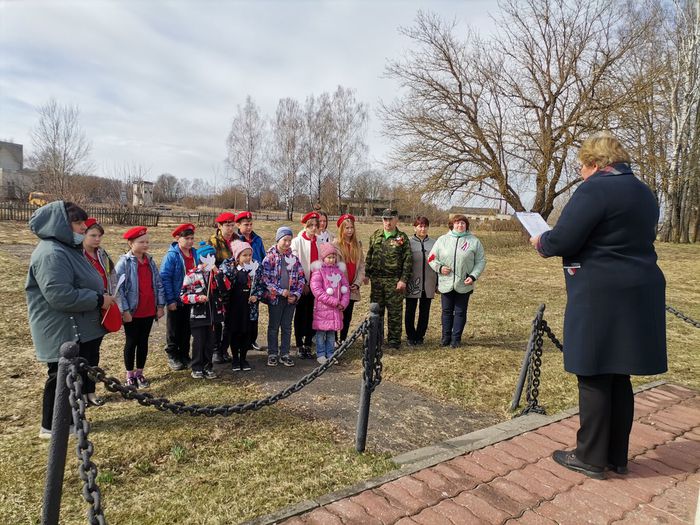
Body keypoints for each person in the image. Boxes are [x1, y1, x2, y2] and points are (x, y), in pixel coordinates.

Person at [530, 132, 667, 479]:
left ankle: (590, 456)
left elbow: (565, 237)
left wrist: (541, 240)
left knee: (592, 371)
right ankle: (616, 456)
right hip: (640, 287)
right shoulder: (644, 191)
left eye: (581, 165)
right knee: (618, 372)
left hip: (600, 290)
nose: (580, 173)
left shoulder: (595, 188)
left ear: (595, 162)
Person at [27, 201, 114, 438]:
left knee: (71, 377)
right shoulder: (51, 253)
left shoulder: (66, 249)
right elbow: (60, 295)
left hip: (76, 328)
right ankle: (52, 426)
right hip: (61, 330)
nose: (82, 227)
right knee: (59, 378)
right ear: (61, 225)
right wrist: (98, 299)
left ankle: (69, 420)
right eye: (77, 223)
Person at [115, 226, 166, 388]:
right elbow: (118, 288)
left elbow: (158, 284)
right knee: (131, 342)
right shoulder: (124, 262)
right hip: (132, 311)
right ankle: (129, 374)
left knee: (143, 342)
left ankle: (140, 372)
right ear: (131, 243)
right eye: (141, 242)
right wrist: (124, 310)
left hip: (148, 310)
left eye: (147, 242)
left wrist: (160, 305)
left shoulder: (150, 261)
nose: (145, 245)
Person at [428, 214, 486, 348]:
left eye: (463, 223)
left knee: (460, 312)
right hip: (446, 283)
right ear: (452, 225)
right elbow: (431, 258)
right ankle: (445, 337)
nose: (460, 225)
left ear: (466, 226)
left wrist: (473, 276)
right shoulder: (442, 240)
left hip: (464, 283)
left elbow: (481, 261)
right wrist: (440, 268)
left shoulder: (474, 241)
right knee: (446, 311)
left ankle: (456, 338)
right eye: (457, 223)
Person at [81, 217, 119, 406]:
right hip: (86, 307)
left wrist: (111, 295)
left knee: (94, 353)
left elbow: (112, 275)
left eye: (99, 236)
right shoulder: (78, 255)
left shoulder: (102, 254)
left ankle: (91, 391)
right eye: (93, 235)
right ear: (83, 235)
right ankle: (80, 392)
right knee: (82, 354)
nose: (97, 239)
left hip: (103, 306)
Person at [180, 242, 229, 380]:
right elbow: (183, 296)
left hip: (214, 315)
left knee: (211, 342)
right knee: (199, 342)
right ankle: (197, 367)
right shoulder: (192, 275)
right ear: (201, 259)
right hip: (198, 315)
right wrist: (196, 298)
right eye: (208, 257)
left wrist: (217, 273)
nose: (210, 260)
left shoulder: (217, 273)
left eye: (213, 257)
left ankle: (208, 366)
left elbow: (226, 288)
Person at [365, 209, 412, 349]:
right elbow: (369, 256)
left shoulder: (401, 238)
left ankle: (393, 341)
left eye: (391, 219)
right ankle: (376, 339)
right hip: (377, 281)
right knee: (376, 312)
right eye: (385, 219)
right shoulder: (376, 236)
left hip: (394, 281)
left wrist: (403, 280)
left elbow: (408, 261)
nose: (388, 222)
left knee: (395, 313)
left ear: (396, 219)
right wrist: (367, 274)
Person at [262, 227, 305, 367]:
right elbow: (266, 280)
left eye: (289, 240)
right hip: (276, 298)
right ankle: (273, 353)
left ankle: (285, 353)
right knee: (274, 326)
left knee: (287, 326)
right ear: (278, 239)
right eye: (284, 240)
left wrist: (296, 294)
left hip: (291, 299)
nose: (287, 243)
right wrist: (280, 291)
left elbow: (301, 278)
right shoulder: (270, 258)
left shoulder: (294, 259)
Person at [219, 240, 265, 372]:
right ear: (237, 256)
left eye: (250, 255)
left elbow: (261, 286)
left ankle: (243, 358)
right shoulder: (231, 269)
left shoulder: (256, 269)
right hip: (234, 308)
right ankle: (235, 358)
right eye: (244, 255)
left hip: (249, 307)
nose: (248, 258)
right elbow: (225, 285)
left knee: (246, 333)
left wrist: (256, 296)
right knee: (235, 333)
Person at [160, 223, 197, 371]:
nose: (190, 241)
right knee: (174, 328)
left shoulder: (194, 254)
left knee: (187, 328)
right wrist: (170, 300)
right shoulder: (172, 256)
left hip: (191, 298)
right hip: (176, 298)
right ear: (177, 238)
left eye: (192, 238)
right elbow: (165, 277)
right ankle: (173, 354)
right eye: (186, 238)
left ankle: (184, 354)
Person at [309, 243, 350, 364]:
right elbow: (317, 290)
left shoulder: (339, 272)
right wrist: (334, 302)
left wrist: (343, 303)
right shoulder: (319, 272)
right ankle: (321, 353)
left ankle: (330, 353)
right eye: (329, 257)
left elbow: (345, 288)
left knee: (332, 334)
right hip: (323, 309)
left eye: (333, 257)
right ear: (323, 258)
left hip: (336, 310)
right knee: (321, 333)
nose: (332, 259)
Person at [332, 213, 367, 344]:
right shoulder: (335, 244)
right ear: (341, 229)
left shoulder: (357, 245)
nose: (349, 230)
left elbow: (361, 266)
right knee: (337, 313)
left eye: (351, 227)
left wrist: (357, 283)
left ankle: (343, 338)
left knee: (348, 315)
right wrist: (341, 284)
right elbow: (333, 266)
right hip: (339, 286)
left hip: (352, 286)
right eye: (346, 228)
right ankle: (334, 338)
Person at [235, 210, 266, 352]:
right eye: (246, 224)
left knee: (254, 312)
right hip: (241, 280)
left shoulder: (257, 239)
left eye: (251, 224)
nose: (249, 227)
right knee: (241, 314)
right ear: (239, 225)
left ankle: (252, 340)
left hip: (255, 278)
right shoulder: (235, 240)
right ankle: (239, 342)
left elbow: (262, 256)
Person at [209, 211, 237, 364]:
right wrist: (219, 274)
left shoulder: (237, 239)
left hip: (235, 285)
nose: (230, 228)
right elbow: (209, 262)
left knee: (230, 320)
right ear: (219, 226)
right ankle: (215, 349)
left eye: (232, 225)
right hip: (219, 285)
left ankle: (224, 348)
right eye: (227, 225)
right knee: (218, 319)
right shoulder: (213, 241)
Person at [405, 216, 438, 346]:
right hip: (413, 282)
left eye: (425, 226)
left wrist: (437, 283)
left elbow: (439, 262)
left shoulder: (435, 243)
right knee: (410, 309)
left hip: (429, 281)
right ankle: (410, 335)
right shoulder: (408, 242)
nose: (422, 229)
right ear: (415, 227)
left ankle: (420, 335)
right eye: (420, 226)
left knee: (425, 310)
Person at [291, 211, 320, 358]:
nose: (314, 229)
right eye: (311, 226)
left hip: (316, 285)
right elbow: (296, 264)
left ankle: (308, 342)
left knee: (312, 314)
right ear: (305, 226)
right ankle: (299, 343)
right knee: (301, 314)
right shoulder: (297, 242)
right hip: (302, 285)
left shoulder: (320, 242)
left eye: (316, 225)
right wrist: (303, 283)